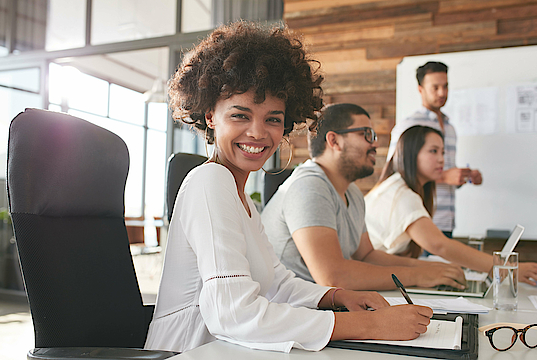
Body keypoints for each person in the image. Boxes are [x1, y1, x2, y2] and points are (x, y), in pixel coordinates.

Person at [144, 22, 432, 354]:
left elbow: (276, 282)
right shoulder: (211, 182)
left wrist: (336, 296)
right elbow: (232, 313)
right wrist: (371, 325)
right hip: (190, 352)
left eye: (273, 119)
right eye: (240, 115)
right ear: (211, 116)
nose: (257, 133)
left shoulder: (243, 199)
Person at [261, 103, 466, 291]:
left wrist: (430, 269)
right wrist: (418, 274)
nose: (375, 144)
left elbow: (366, 256)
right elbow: (333, 277)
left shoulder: (352, 193)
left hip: (321, 308)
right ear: (334, 141)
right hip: (292, 314)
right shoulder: (309, 186)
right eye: (366, 134)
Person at [365, 125, 537, 285]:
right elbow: (440, 245)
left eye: (443, 152)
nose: (441, 159)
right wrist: (503, 267)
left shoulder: (400, 187)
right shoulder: (401, 194)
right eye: (433, 151)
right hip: (369, 279)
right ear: (411, 154)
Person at [388, 61, 481, 239]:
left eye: (446, 86)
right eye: (435, 87)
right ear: (420, 89)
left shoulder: (451, 128)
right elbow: (395, 171)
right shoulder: (409, 125)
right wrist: (445, 176)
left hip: (447, 221)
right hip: (418, 219)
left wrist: (463, 177)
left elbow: (440, 171)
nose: (442, 93)